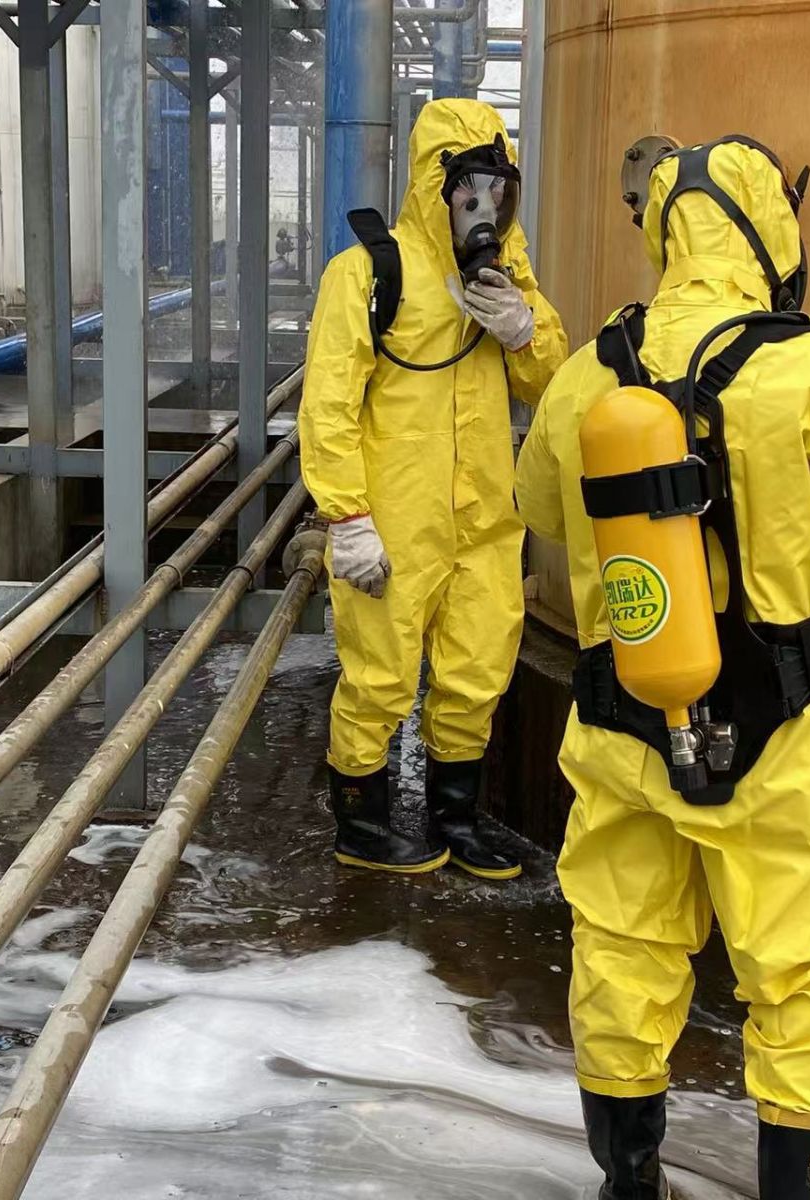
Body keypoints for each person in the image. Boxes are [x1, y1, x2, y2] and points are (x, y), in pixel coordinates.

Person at [514, 137, 810, 1198]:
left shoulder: (590, 370)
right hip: (782, 734)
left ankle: (629, 1183)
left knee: (621, 950)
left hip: (623, 717)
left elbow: (539, 507)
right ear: (772, 233)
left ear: (662, 233)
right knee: (805, 978)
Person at [299, 98, 567, 879]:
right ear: (434, 184)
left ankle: (456, 820)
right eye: (468, 190)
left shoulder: (506, 274)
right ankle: (362, 824)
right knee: (379, 677)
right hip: (393, 521)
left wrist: (524, 330)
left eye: (497, 191)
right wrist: (347, 516)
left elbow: (553, 386)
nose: (482, 208)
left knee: (476, 671)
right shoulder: (367, 274)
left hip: (484, 525)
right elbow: (328, 406)